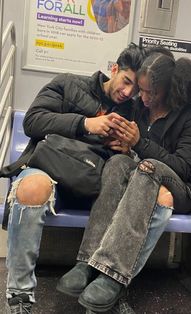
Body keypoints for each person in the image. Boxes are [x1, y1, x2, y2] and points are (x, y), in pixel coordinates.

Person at [56, 54, 191, 312]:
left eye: (150, 93)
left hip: (184, 189)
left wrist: (139, 144)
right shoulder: (140, 109)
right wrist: (123, 147)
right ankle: (87, 262)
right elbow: (132, 154)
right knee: (118, 164)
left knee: (147, 169)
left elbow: (184, 167)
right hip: (143, 178)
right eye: (141, 90)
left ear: (170, 90)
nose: (142, 98)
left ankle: (113, 274)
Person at [2, 43, 148, 314]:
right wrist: (84, 124)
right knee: (32, 188)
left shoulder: (134, 111)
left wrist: (128, 148)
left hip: (98, 183)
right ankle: (19, 297)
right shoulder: (69, 85)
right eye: (126, 81)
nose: (128, 93)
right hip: (53, 169)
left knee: (126, 180)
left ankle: (109, 287)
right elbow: (32, 121)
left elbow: (139, 158)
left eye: (136, 90)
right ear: (114, 69)